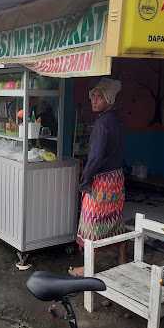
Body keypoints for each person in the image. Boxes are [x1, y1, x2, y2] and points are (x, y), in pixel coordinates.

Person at [69, 78, 125, 277]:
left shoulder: (102, 123)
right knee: (114, 221)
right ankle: (122, 260)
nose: (93, 100)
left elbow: (95, 157)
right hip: (116, 179)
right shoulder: (116, 119)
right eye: (92, 96)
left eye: (99, 96)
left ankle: (88, 268)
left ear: (108, 99)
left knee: (91, 223)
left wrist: (84, 180)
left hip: (101, 182)